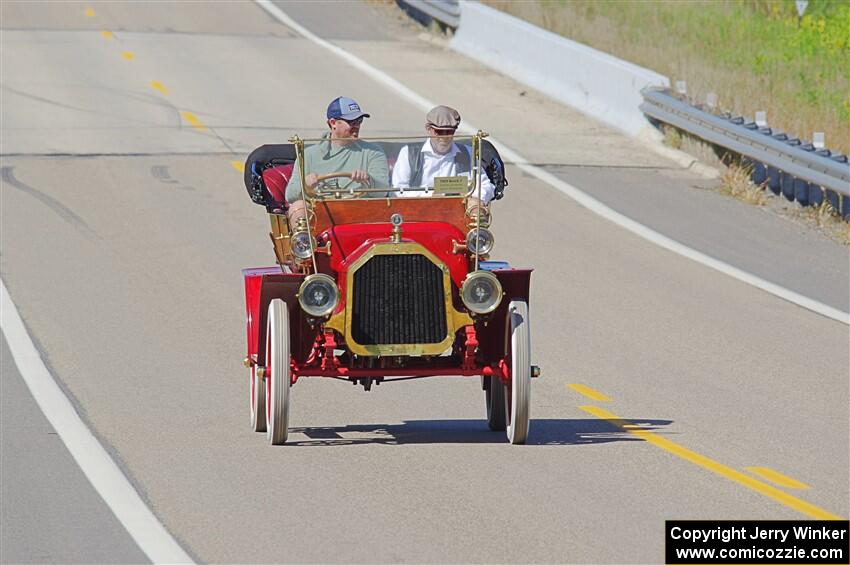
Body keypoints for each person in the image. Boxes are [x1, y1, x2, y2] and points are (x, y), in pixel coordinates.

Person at [285, 96, 389, 218]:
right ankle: (304, 238)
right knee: (298, 207)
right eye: (351, 122)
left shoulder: (373, 152)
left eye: (359, 121)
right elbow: (290, 195)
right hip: (320, 216)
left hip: (360, 213)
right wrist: (305, 184)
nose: (357, 126)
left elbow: (383, 191)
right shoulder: (309, 155)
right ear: (333, 123)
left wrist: (368, 180)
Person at [391, 105, 495, 209]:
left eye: (449, 132)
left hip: (456, 213)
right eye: (439, 132)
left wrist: (477, 199)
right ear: (429, 129)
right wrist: (429, 196)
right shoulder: (408, 153)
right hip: (418, 212)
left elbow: (484, 184)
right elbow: (399, 189)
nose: (444, 137)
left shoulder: (467, 153)